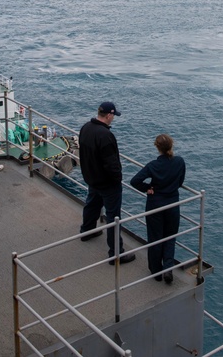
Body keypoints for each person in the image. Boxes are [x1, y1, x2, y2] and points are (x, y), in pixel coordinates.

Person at [78, 101, 135, 264]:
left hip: (91, 178)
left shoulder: (85, 128)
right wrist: (118, 179)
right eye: (113, 116)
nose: (113, 119)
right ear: (109, 115)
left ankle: (87, 231)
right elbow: (112, 164)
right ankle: (116, 254)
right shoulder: (105, 135)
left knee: (92, 204)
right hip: (107, 183)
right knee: (113, 217)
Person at [130, 134, 186, 284]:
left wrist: (147, 188)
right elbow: (180, 181)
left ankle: (156, 271)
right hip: (172, 204)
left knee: (155, 237)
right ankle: (168, 268)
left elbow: (134, 181)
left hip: (155, 204)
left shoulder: (153, 165)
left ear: (157, 147)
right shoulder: (179, 162)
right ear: (171, 146)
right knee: (170, 236)